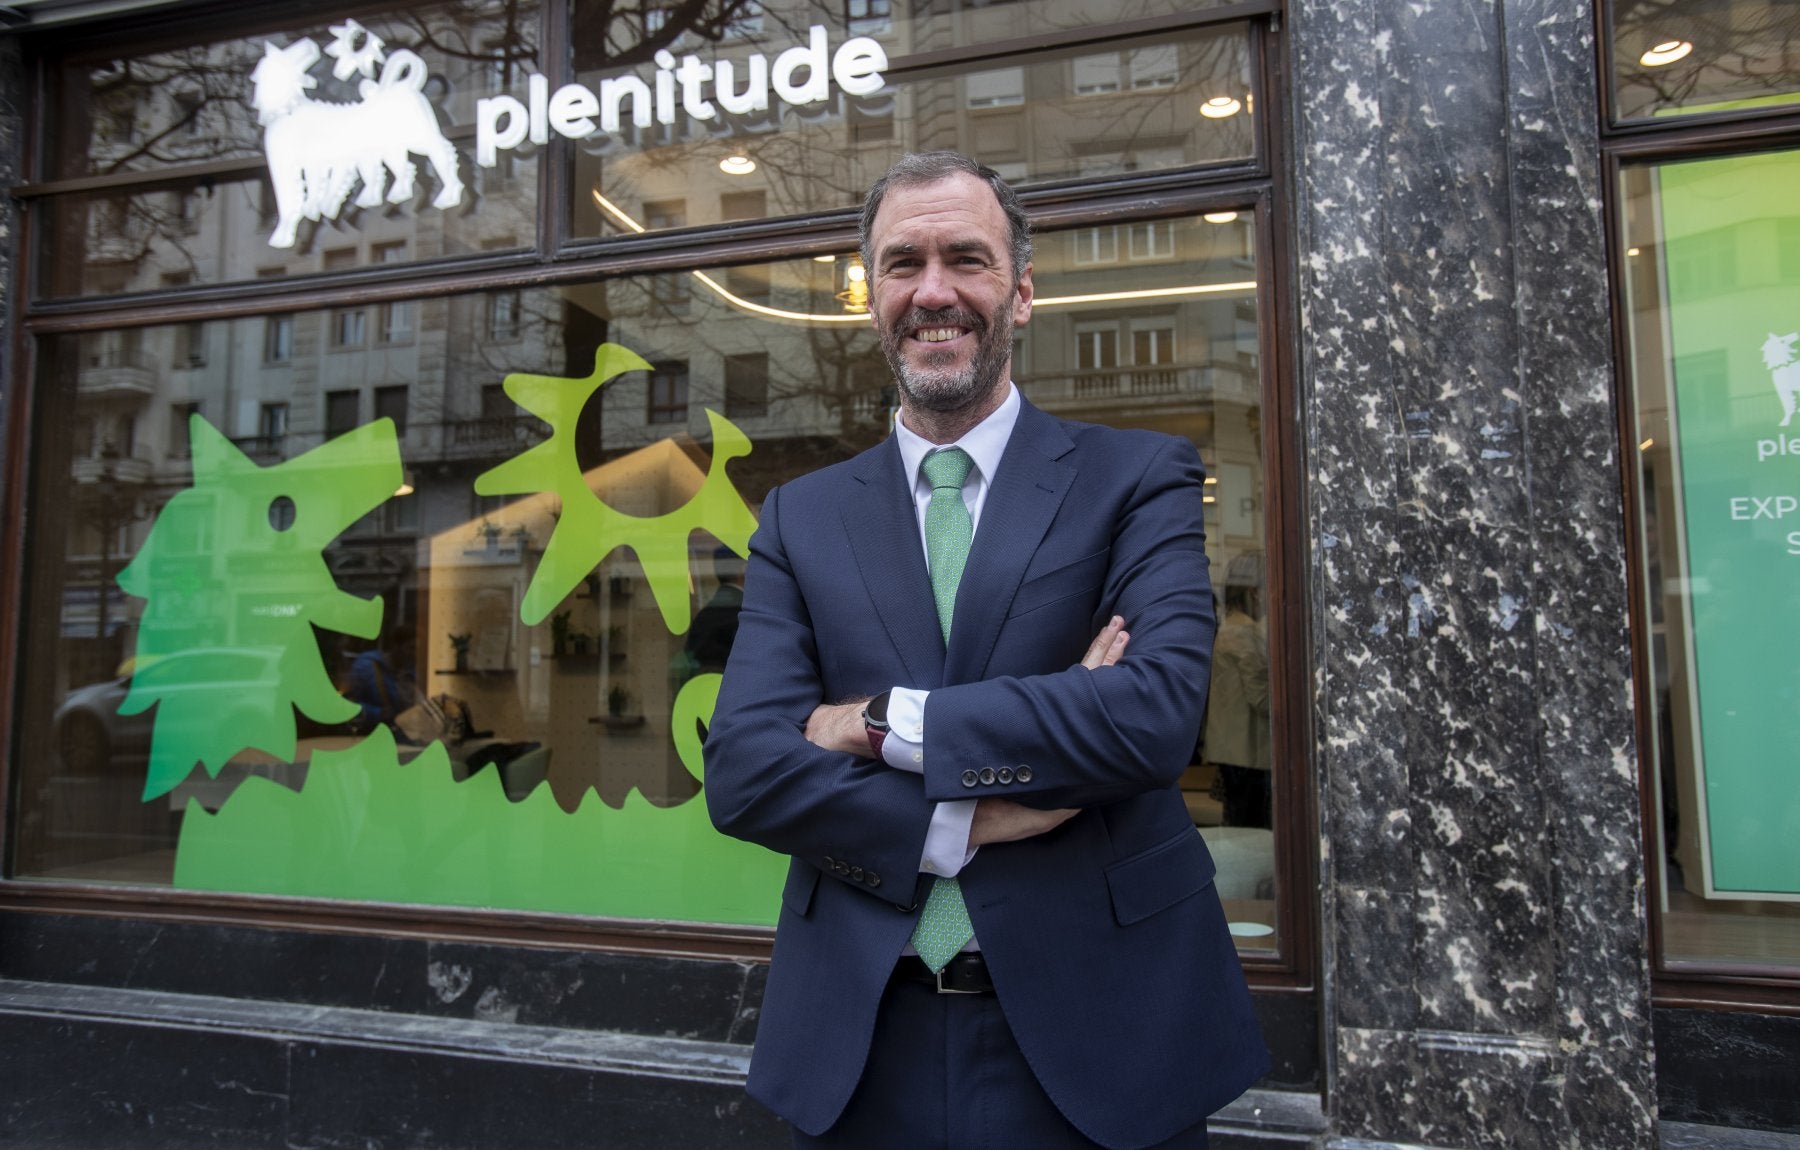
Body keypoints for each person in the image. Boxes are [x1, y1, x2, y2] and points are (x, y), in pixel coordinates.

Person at [705, 152, 1267, 1150]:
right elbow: (745, 772)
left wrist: (874, 722)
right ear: (870, 295)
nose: (933, 291)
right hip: (861, 1039)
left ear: (1022, 291)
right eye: (901, 263)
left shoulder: (1137, 478)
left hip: (1108, 1035)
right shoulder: (801, 517)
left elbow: (1151, 716)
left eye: (967, 258)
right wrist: (966, 823)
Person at [1204, 552, 1271, 829]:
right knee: (1251, 830)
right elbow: (1261, 697)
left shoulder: (1233, 627)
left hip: (1237, 751)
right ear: (1255, 592)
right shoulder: (1243, 633)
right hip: (1247, 755)